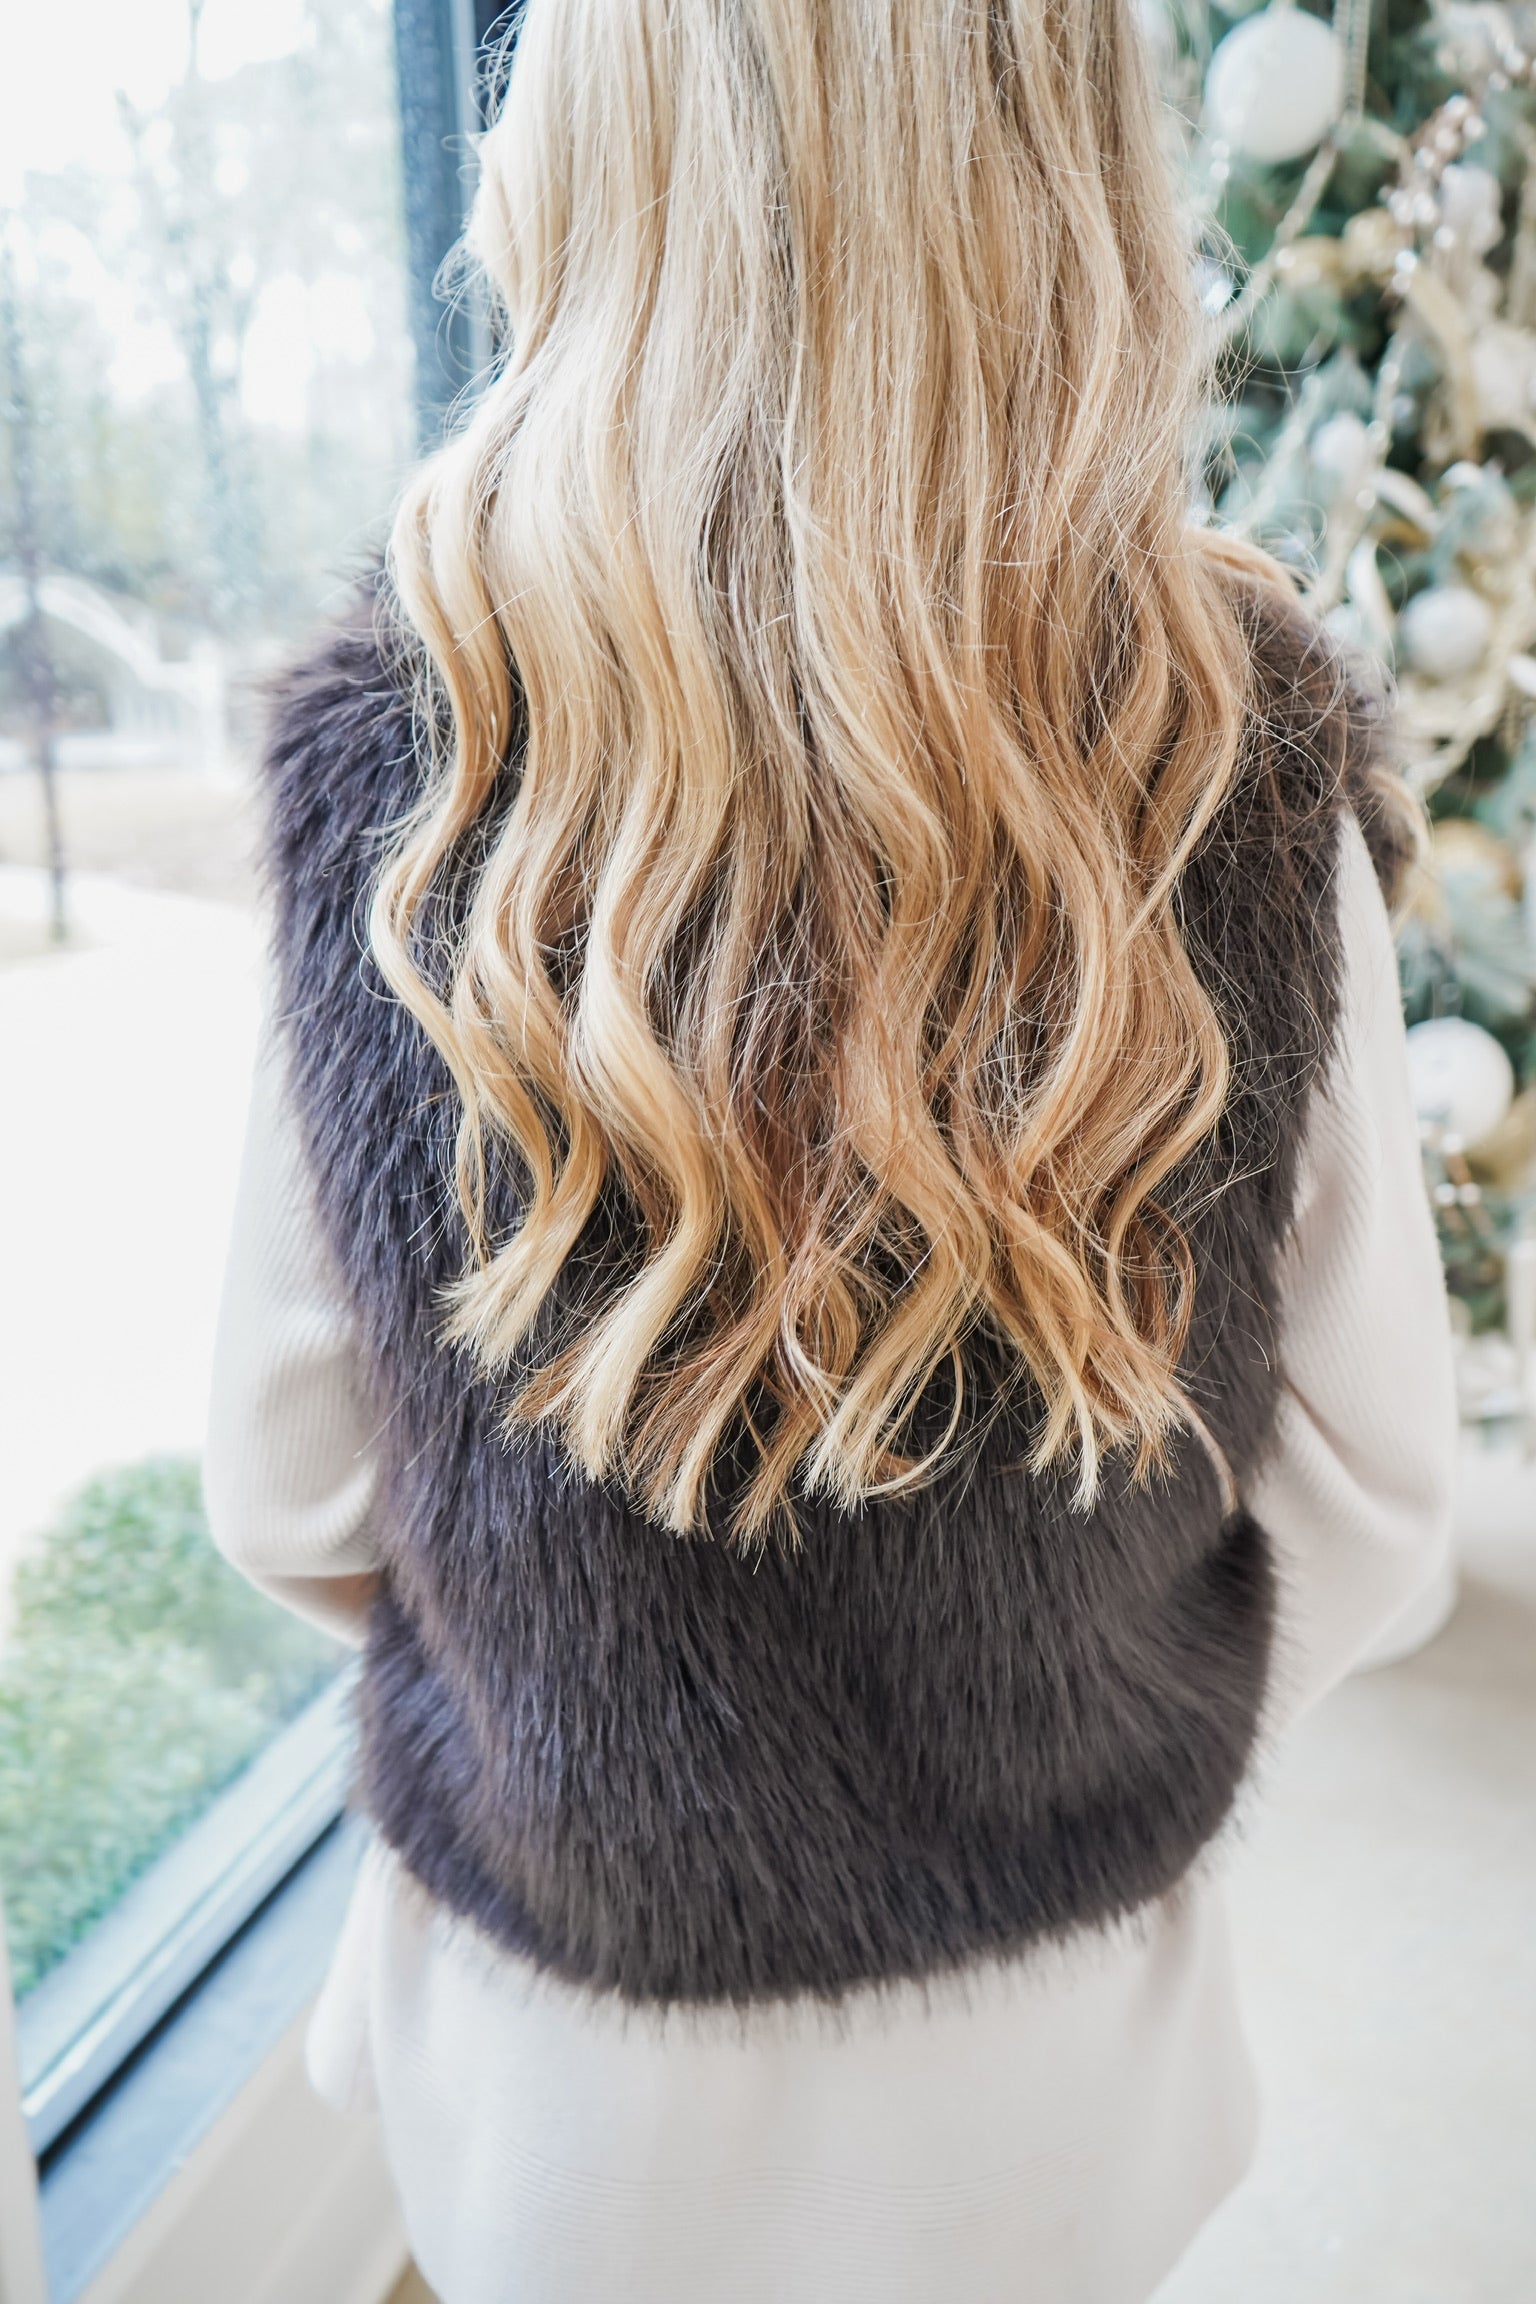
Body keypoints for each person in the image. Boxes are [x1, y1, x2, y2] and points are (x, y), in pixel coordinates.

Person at [203, 1, 1457, 2296]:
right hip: (1058, 2097)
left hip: (566, 2107)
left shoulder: (411, 775)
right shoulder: (1233, 762)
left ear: (578, 159)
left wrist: (576, 1694)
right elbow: (1379, 1485)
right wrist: (1086, 1723)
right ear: (1081, 184)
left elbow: (287, 1492)